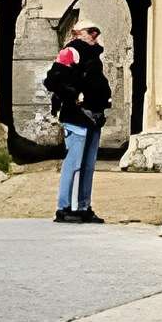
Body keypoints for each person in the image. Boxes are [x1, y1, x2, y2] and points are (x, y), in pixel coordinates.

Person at [43, 22, 108, 222]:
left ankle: (83, 207)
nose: (95, 35)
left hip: (94, 117)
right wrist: (74, 96)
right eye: (91, 31)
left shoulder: (93, 54)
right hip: (76, 116)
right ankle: (63, 208)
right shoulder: (70, 51)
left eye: (97, 31)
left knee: (88, 166)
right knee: (74, 164)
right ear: (78, 33)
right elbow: (51, 80)